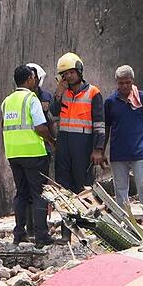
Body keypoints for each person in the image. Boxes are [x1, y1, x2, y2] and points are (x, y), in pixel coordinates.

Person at [104, 65, 143, 237]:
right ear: (117, 83)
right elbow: (106, 128)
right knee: (120, 190)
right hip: (118, 153)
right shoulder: (110, 102)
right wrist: (101, 150)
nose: (124, 86)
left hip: (139, 151)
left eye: (127, 83)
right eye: (121, 83)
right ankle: (125, 225)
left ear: (132, 82)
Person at [2, 64, 56, 246]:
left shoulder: (7, 101)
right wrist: (52, 141)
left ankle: (19, 233)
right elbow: (40, 127)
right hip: (33, 152)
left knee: (21, 193)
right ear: (29, 79)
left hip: (13, 153)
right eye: (33, 78)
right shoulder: (31, 99)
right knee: (39, 193)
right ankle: (42, 236)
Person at [53, 52, 105, 193]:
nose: (69, 76)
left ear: (79, 71)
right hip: (64, 144)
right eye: (65, 74)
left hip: (83, 144)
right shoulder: (62, 93)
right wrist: (58, 93)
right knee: (63, 185)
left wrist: (98, 149)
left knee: (83, 185)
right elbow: (52, 114)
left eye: (71, 72)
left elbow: (100, 125)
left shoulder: (93, 93)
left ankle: (82, 215)